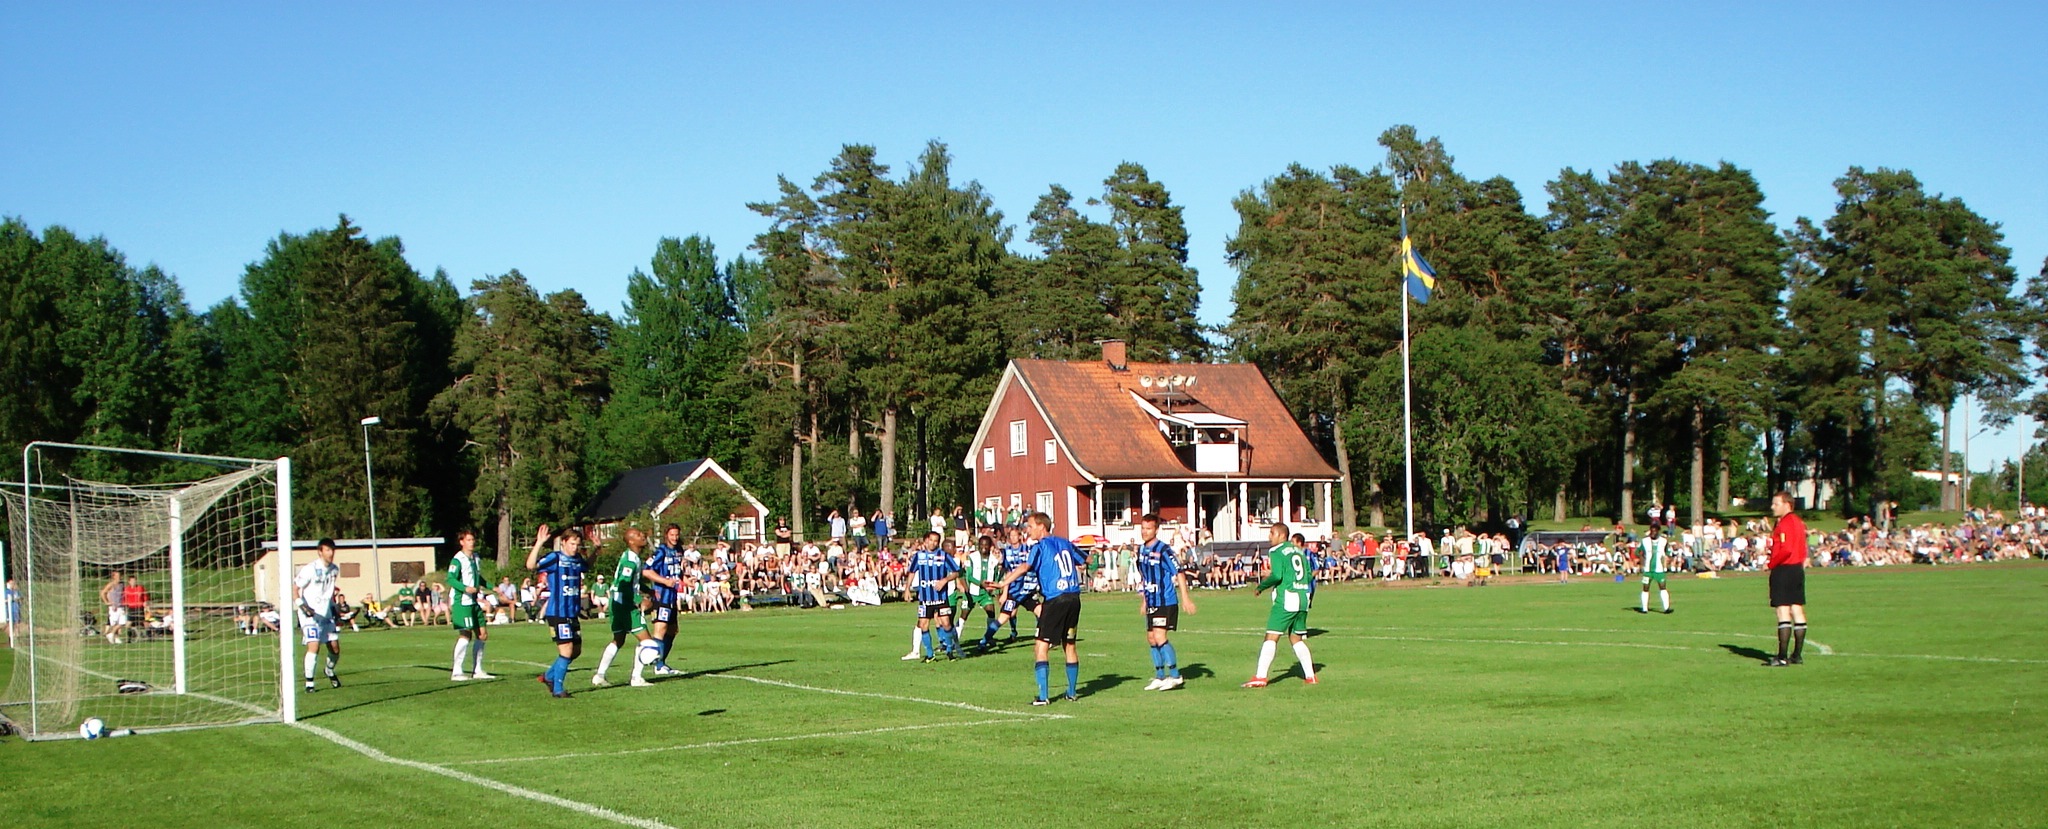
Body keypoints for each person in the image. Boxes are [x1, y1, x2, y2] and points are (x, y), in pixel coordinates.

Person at [993, 512, 1085, 706]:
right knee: (1069, 644)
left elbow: (1025, 567)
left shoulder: (1040, 546)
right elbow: (1085, 560)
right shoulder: (1065, 542)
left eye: (1031, 526)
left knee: (1040, 646)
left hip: (1055, 599)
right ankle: (1072, 692)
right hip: (1074, 598)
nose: (1028, 530)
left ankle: (1043, 697)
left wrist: (1003, 584)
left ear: (1041, 527)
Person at [1244, 523, 1316, 688]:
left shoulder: (1276, 551)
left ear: (1282, 536)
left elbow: (1277, 575)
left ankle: (1260, 677)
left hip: (1287, 599)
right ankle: (1311, 676)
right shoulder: (1299, 551)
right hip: (1303, 599)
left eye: (1272, 533)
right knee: (1295, 638)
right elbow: (1310, 575)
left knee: (1271, 636)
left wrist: (1261, 587)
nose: (1269, 536)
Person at [527, 524, 591, 698]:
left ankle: (548, 676)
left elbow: (587, 566)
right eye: (572, 544)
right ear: (563, 543)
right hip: (557, 612)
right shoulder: (555, 558)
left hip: (572, 612)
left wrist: (597, 550)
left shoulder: (577, 560)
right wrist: (539, 543)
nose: (575, 547)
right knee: (566, 650)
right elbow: (531, 565)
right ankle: (558, 689)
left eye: (577, 544)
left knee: (575, 651)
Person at [591, 527, 658, 688]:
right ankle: (636, 677)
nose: (642, 535)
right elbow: (623, 585)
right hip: (625, 605)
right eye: (638, 535)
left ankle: (599, 675)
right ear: (630, 541)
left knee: (618, 640)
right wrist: (640, 599)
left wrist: (647, 590)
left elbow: (632, 581)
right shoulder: (630, 560)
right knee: (647, 642)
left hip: (616, 603)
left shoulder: (632, 557)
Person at [1136, 514, 1196, 690]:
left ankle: (1176, 675)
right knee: (1151, 638)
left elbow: (1179, 572)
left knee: (1160, 636)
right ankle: (1160, 676)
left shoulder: (1164, 550)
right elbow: (1145, 577)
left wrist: (1185, 598)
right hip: (1152, 599)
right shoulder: (1141, 550)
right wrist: (1145, 600)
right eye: (1143, 528)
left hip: (1165, 600)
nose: (1145, 532)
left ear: (1156, 530)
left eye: (1148, 528)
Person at [294, 539, 344, 692]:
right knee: (314, 645)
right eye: (327, 550)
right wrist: (302, 605)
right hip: (309, 615)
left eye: (332, 550)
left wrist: (335, 610)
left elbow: (328, 593)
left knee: (334, 648)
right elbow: (295, 588)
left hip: (326, 614)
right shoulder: (310, 569)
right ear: (320, 552)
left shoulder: (334, 569)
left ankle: (329, 670)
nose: (331, 553)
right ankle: (309, 683)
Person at [1766, 492, 1810, 666]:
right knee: (1797, 609)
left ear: (1787, 504)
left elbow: (1786, 549)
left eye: (1776, 504)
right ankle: (1797, 654)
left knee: (1782, 611)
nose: (1772, 507)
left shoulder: (1785, 523)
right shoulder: (1799, 522)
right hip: (1797, 569)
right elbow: (1802, 547)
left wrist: (1771, 563)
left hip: (1784, 569)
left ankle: (1782, 657)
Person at [447, 530, 496, 680]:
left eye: (473, 539)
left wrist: (492, 586)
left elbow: (478, 577)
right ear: (461, 542)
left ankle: (478, 670)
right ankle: (457, 671)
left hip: (474, 601)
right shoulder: (458, 560)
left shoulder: (475, 558)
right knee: (465, 634)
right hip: (462, 602)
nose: (472, 542)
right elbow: (450, 579)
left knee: (482, 635)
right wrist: (465, 588)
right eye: (468, 540)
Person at [910, 531, 961, 661]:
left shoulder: (943, 556)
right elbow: (911, 572)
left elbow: (956, 572)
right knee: (923, 624)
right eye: (931, 540)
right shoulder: (919, 556)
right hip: (925, 598)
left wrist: (944, 580)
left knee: (946, 624)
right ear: (925, 541)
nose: (933, 543)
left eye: (936, 541)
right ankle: (929, 654)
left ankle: (949, 650)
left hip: (941, 597)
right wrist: (906, 589)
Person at [645, 525, 686, 675]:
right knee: (660, 629)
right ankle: (657, 664)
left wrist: (686, 580)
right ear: (666, 535)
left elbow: (677, 572)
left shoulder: (679, 550)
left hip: (673, 596)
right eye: (672, 535)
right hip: (662, 595)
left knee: (672, 630)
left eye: (676, 535)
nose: (674, 538)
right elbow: (647, 571)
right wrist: (664, 581)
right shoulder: (660, 551)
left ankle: (660, 662)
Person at [989, 525, 1037, 644]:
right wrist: (1004, 592)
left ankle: (1040, 631)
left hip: (1028, 588)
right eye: (1011, 536)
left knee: (1040, 610)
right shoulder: (1007, 552)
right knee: (1011, 613)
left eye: (1015, 535)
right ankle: (1013, 632)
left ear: (1020, 536)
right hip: (1014, 588)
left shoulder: (1028, 549)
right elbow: (1007, 572)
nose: (1013, 538)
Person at [962, 536, 1004, 652]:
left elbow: (996, 576)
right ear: (978, 546)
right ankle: (953, 641)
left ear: (990, 546)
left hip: (985, 594)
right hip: (972, 592)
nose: (983, 547)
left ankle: (989, 637)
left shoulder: (994, 561)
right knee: (963, 616)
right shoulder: (972, 557)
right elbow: (968, 576)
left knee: (991, 613)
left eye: (986, 545)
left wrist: (995, 590)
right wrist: (981, 584)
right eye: (981, 545)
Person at [1639, 526, 1673, 614]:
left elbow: (1668, 552)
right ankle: (1644, 609)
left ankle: (1666, 608)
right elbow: (1639, 552)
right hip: (1648, 570)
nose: (1653, 533)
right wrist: (1642, 563)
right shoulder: (1645, 541)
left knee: (1663, 587)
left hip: (1659, 570)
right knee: (1645, 588)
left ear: (1658, 531)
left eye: (1655, 531)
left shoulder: (1663, 541)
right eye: (1651, 531)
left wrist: (1667, 560)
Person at [101, 570, 126, 644]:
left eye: (120, 576)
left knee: (122, 622)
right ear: (113, 577)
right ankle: (115, 637)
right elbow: (103, 593)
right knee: (114, 623)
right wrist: (107, 602)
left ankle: (111, 634)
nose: (119, 578)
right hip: (113, 607)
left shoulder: (122, 584)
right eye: (117, 576)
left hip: (121, 606)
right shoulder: (111, 584)